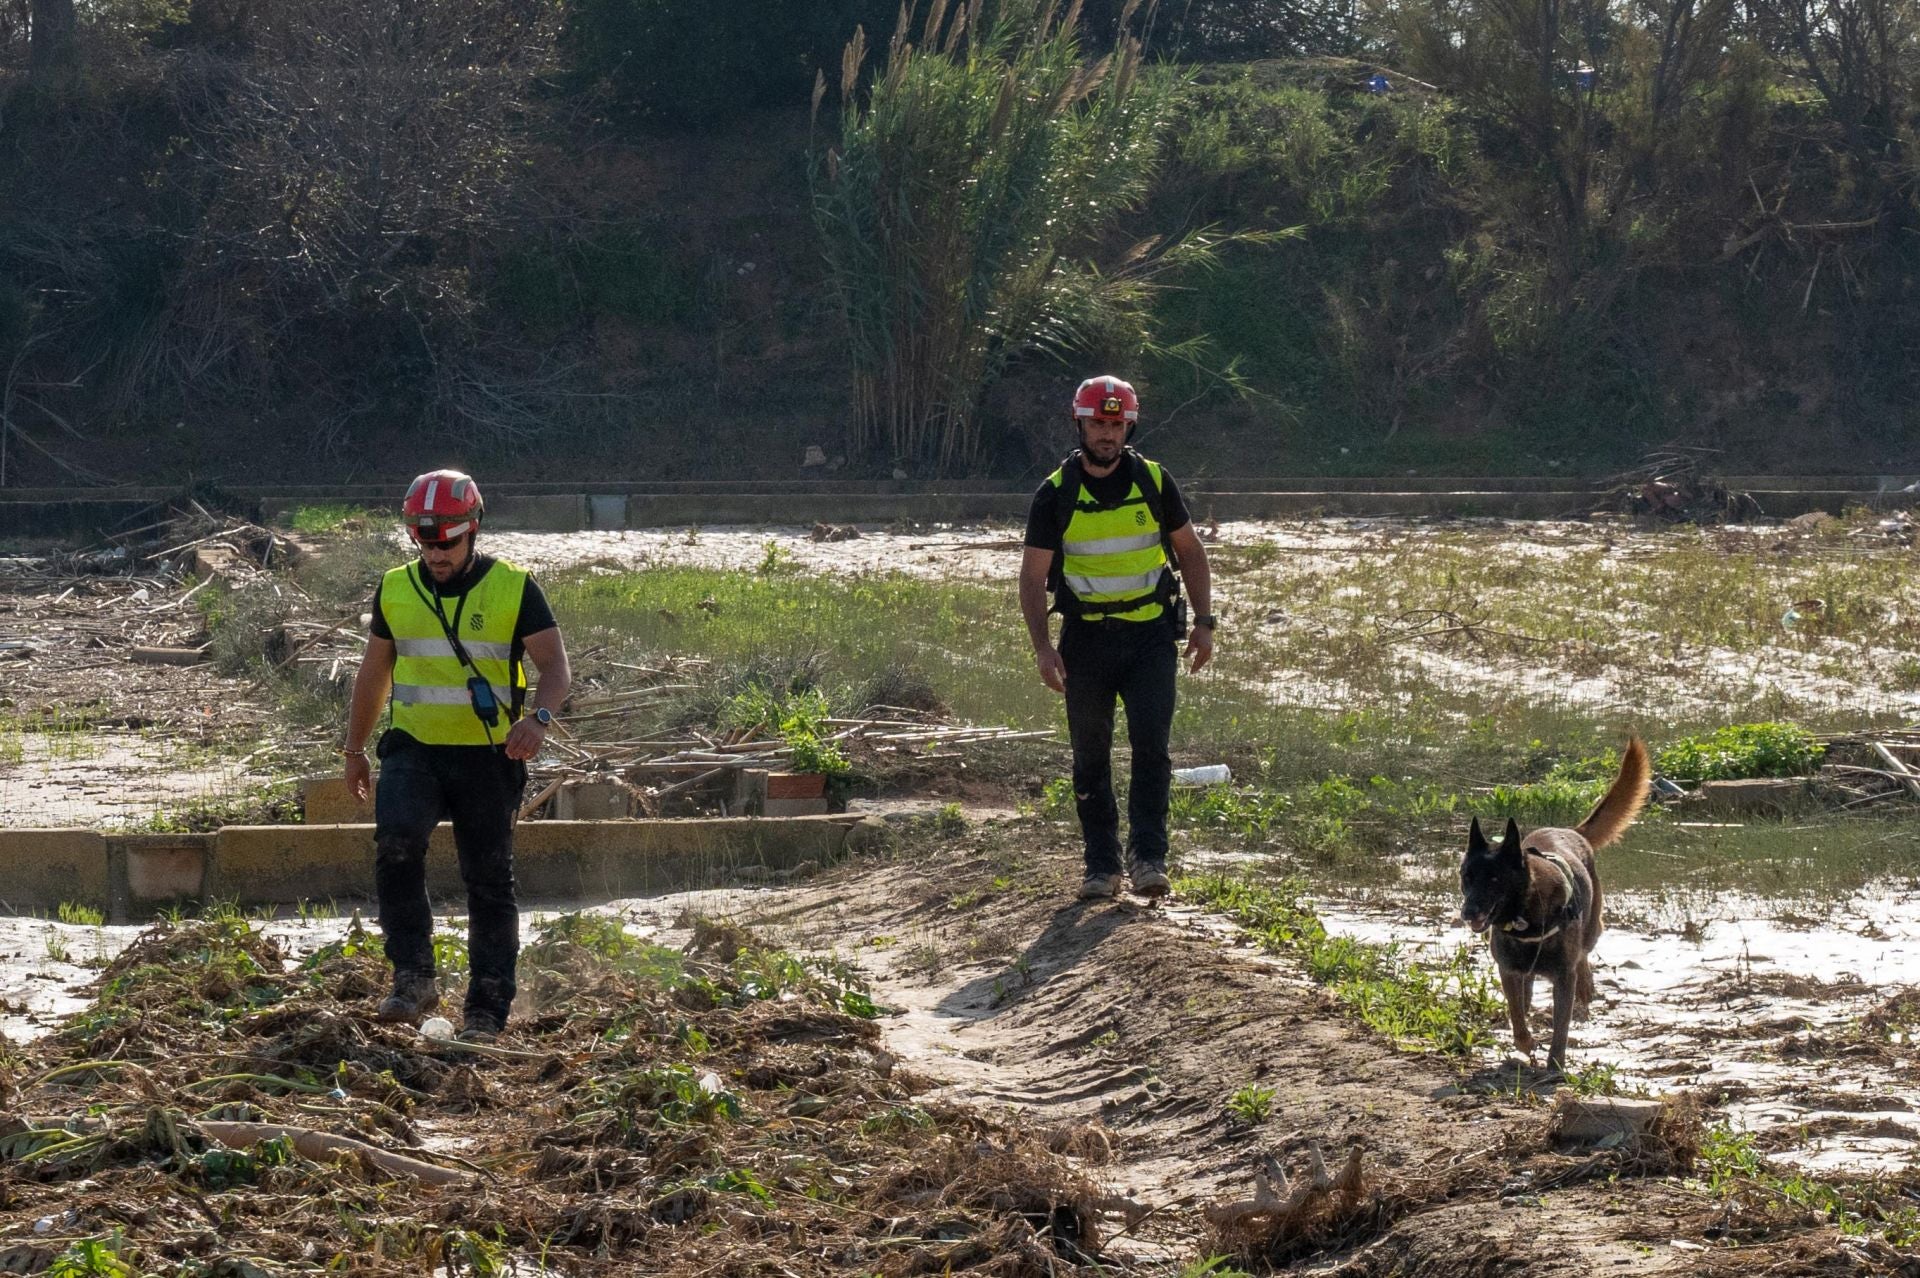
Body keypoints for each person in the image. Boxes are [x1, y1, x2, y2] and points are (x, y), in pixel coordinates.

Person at [341, 469, 571, 1042]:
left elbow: (556, 669)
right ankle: (413, 977)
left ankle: (487, 1010)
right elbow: (374, 674)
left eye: (446, 540)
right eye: (424, 540)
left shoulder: (516, 588)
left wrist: (537, 720)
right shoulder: (396, 587)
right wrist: (354, 748)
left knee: (489, 880)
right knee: (396, 844)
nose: (435, 552)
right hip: (414, 747)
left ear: (473, 531)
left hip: (488, 757)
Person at [1020, 376, 1216, 900]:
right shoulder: (1054, 494)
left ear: (1129, 425)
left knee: (1152, 749)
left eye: (1116, 423)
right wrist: (1043, 647)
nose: (1107, 433)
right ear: (1080, 423)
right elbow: (1032, 577)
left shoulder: (1154, 481)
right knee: (1090, 754)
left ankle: (1149, 858)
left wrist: (1204, 621)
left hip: (1150, 639)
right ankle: (1100, 866)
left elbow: (1191, 552)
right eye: (1098, 423)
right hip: (1085, 642)